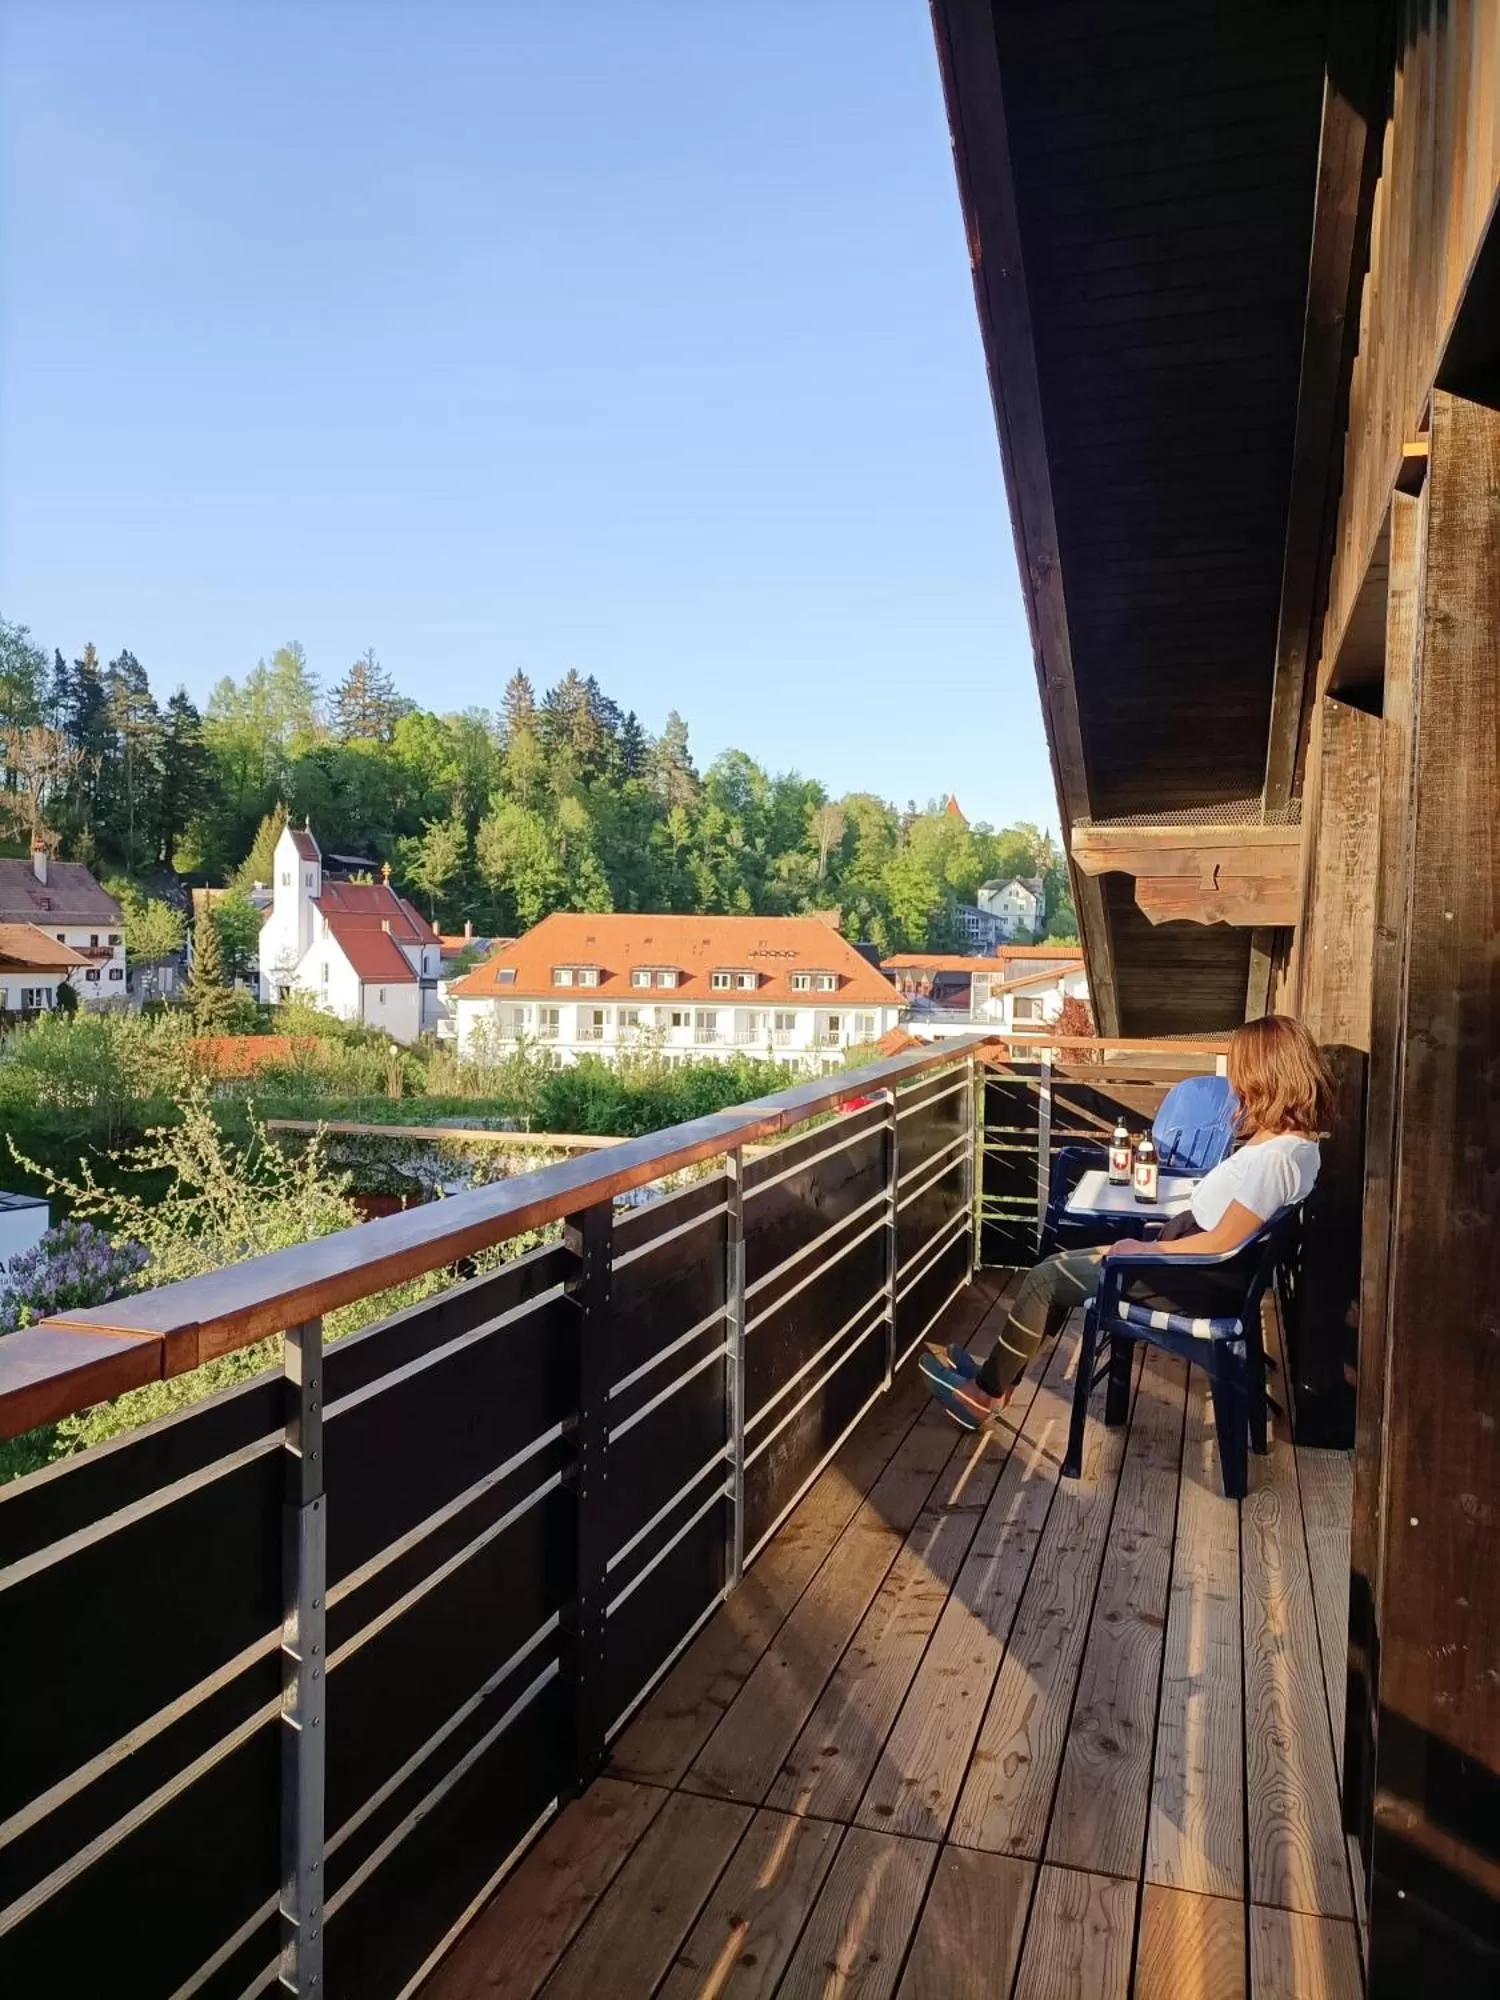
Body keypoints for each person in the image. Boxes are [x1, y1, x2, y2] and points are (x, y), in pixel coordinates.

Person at [920, 1014, 1334, 1432]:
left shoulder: (1276, 1160)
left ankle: (982, 1396)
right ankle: (997, 1381)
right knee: (1057, 1270)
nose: (1235, 1083)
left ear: (1266, 1075)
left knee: (1046, 1279)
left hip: (1185, 1278)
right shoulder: (1291, 1147)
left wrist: (1144, 1250)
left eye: (1241, 1070)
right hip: (1192, 1269)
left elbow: (1220, 1243)